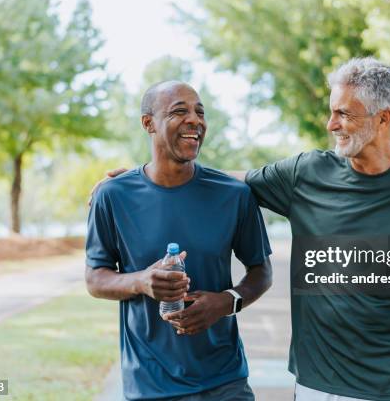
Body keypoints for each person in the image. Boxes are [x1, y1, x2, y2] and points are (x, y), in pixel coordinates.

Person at [93, 58, 390, 401]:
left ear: (383, 118)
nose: (331, 124)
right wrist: (141, 176)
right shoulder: (307, 173)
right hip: (319, 382)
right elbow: (230, 181)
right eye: (332, 111)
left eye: (344, 114)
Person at [85, 80, 272, 401]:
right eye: (179, 111)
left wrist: (227, 302)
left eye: (200, 112)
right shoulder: (113, 196)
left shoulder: (234, 195)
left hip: (225, 381)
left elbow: (261, 271)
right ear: (149, 124)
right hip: (150, 385)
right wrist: (142, 282)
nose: (195, 120)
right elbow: (95, 278)